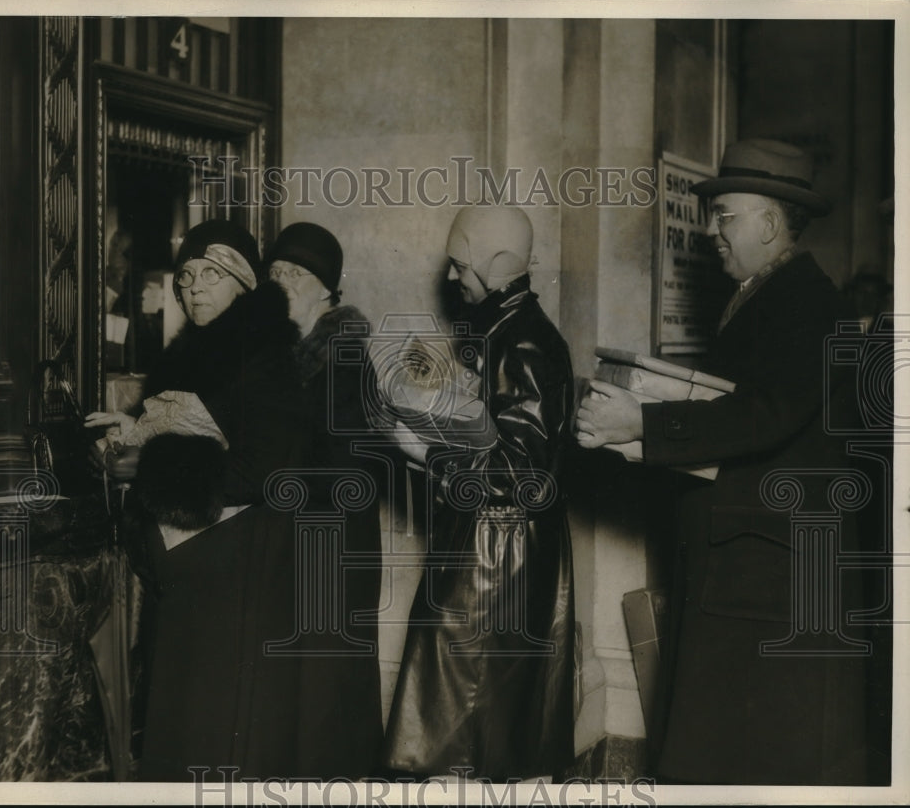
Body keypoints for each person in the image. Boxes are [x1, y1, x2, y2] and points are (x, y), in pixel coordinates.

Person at [576, 139, 869, 784]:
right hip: (749, 562)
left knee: (751, 754)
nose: (712, 230)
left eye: (725, 215)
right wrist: (637, 432)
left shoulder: (807, 303)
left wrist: (645, 424)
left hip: (768, 575)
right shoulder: (771, 293)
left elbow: (763, 415)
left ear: (769, 222)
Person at [83, 219, 315, 781]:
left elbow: (267, 470)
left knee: (212, 728)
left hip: (236, 571)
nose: (193, 287)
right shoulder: (200, 351)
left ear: (243, 280)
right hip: (191, 569)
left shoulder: (266, 355)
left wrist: (152, 464)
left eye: (210, 273)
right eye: (185, 276)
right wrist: (135, 424)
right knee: (181, 722)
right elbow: (196, 426)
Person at [382, 205, 576, 781]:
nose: (450, 277)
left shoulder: (523, 343)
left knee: (461, 737)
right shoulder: (500, 331)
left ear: (494, 267)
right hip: (492, 545)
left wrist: (426, 452)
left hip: (495, 558)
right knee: (480, 732)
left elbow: (521, 467)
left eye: (460, 264)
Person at [265, 221, 384, 778]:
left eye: (296, 273)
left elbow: (345, 477)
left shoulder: (344, 361)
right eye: (275, 272)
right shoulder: (284, 355)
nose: (282, 281)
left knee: (324, 703)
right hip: (299, 547)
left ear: (326, 290)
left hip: (330, 556)